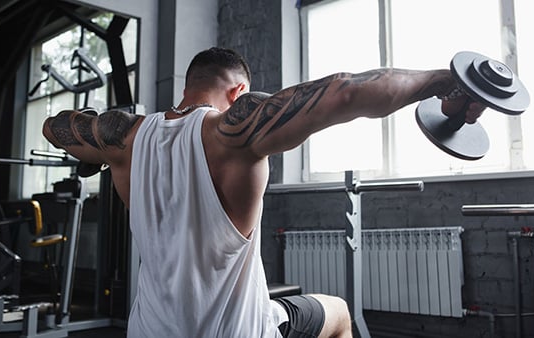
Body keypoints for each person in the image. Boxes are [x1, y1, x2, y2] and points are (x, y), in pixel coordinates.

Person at [42, 47, 484, 337]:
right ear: (238, 92)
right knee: (340, 315)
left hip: (149, 330)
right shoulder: (230, 132)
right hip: (240, 332)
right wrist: (445, 81)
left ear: (186, 87)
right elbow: (345, 94)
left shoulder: (123, 138)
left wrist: (93, 155)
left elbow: (55, 127)